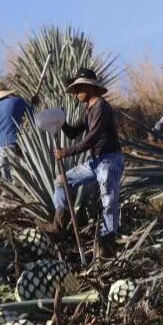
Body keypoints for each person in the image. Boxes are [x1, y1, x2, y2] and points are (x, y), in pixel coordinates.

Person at [39, 68, 124, 258]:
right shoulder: (89, 110)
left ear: (89, 87)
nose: (76, 94)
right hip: (96, 162)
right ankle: (59, 224)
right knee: (63, 181)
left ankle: (109, 239)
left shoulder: (101, 107)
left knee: (108, 199)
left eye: (78, 89)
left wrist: (66, 152)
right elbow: (73, 132)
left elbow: (91, 139)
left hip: (109, 160)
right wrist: (59, 121)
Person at [0, 79, 33, 184]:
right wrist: (34, 103)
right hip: (13, 143)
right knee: (19, 178)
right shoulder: (16, 101)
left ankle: (7, 199)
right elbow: (32, 114)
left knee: (7, 181)